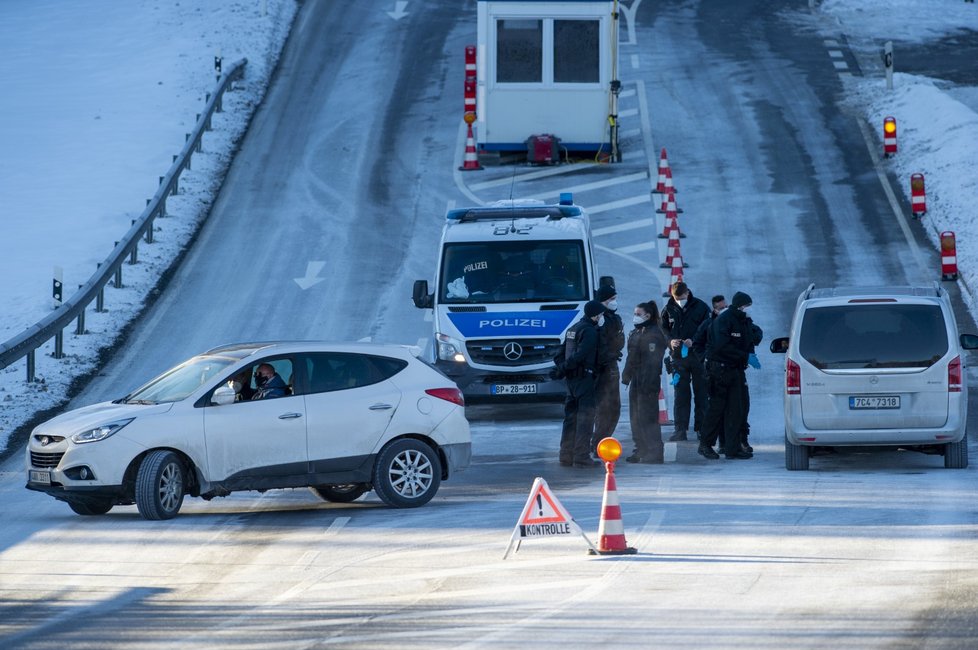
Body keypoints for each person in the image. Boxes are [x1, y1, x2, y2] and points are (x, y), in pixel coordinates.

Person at [698, 291, 754, 460]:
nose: (747, 310)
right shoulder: (724, 320)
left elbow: (750, 336)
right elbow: (721, 346)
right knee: (716, 410)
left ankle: (733, 447)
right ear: (738, 306)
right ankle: (705, 445)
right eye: (745, 307)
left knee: (735, 410)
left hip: (735, 370)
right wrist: (744, 356)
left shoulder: (741, 320)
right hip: (719, 371)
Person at [661, 281, 711, 442]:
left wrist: (694, 340)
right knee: (681, 395)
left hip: (698, 357)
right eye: (676, 298)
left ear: (687, 293)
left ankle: (701, 428)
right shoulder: (668, 309)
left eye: (681, 297)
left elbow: (709, 329)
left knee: (701, 394)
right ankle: (680, 430)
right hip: (678, 358)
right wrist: (670, 341)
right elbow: (663, 330)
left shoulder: (701, 307)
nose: (679, 300)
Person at [621, 301, 668, 463]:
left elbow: (652, 362)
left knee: (647, 418)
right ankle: (640, 449)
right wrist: (627, 376)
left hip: (647, 382)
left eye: (638, 314)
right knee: (636, 417)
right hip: (636, 380)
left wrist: (647, 384)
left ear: (647, 315)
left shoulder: (654, 334)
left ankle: (654, 452)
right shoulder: (638, 332)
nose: (635, 317)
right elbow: (632, 357)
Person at [559, 300, 605, 468]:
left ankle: (565, 455)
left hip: (571, 380)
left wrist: (562, 369)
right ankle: (581, 456)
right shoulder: (590, 331)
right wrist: (565, 367)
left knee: (570, 418)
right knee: (585, 418)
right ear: (595, 315)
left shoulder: (574, 328)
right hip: (584, 379)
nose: (601, 317)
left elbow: (561, 352)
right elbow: (581, 354)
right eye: (600, 315)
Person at [592, 283, 625, 454]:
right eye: (611, 299)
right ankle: (598, 443)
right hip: (603, 369)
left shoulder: (613, 317)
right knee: (605, 409)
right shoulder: (600, 319)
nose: (614, 301)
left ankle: (600, 441)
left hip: (611, 366)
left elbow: (618, 341)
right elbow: (600, 344)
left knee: (613, 409)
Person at [692, 295, 726, 448]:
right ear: (714, 309)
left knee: (730, 409)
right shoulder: (708, 324)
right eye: (720, 308)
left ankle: (728, 443)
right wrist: (705, 359)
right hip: (712, 372)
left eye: (725, 307)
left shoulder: (731, 322)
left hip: (728, 372)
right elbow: (697, 343)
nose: (723, 310)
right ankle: (706, 442)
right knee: (713, 408)